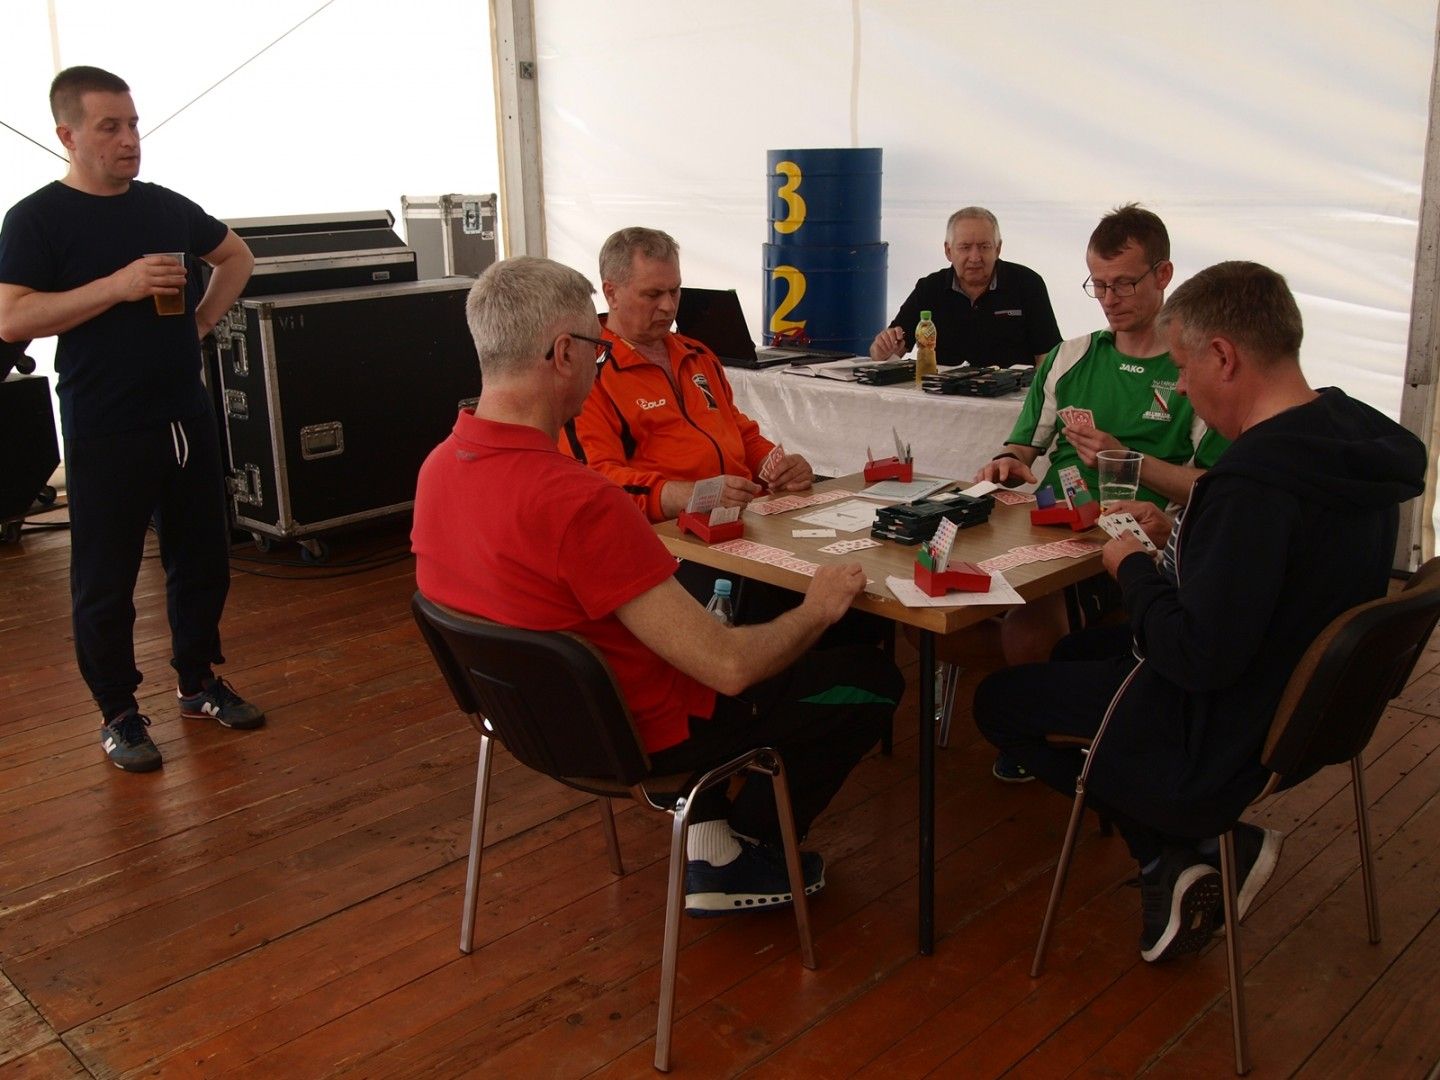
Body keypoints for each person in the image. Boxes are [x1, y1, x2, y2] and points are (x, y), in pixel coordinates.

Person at [412, 255, 902, 916]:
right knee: (871, 677)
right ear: (564, 353)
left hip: (527, 725)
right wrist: (817, 609)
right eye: (596, 348)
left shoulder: (437, 469)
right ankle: (744, 851)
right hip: (643, 735)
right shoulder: (579, 500)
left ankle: (718, 832)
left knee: (748, 618)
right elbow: (728, 668)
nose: (600, 363)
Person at [972, 260, 1426, 962]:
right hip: (1314, 704)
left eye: (1184, 368)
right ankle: (1187, 853)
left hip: (1226, 727)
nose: (1180, 386)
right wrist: (1178, 539)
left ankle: (1178, 844)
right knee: (1068, 653)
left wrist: (1133, 566)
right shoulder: (1349, 440)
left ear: (1224, 356)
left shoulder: (1251, 486)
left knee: (999, 703)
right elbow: (1270, 579)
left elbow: (1193, 655)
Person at [0, 66, 261, 773]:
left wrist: (201, 322)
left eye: (134, 123)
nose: (128, 139)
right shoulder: (35, 219)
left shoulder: (164, 207)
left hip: (185, 415)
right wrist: (118, 286)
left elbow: (236, 255)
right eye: (109, 127)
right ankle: (117, 711)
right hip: (106, 424)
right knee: (106, 579)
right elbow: (13, 317)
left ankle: (197, 682)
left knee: (202, 558)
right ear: (68, 135)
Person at [970, 206, 1229, 786]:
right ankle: (1041, 722)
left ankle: (1067, 734)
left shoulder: (1191, 371)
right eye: (1099, 285)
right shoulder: (1071, 356)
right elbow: (1024, 445)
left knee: (1033, 614)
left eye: (1124, 284)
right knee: (965, 587)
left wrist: (1124, 459)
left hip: (1136, 538)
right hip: (1049, 522)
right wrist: (1008, 463)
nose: (1109, 300)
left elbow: (1213, 490)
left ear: (1164, 274)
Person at [561, 226, 813, 523]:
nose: (668, 306)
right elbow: (597, 481)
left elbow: (737, 432)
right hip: (665, 532)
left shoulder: (696, 354)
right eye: (653, 294)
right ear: (611, 293)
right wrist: (687, 496)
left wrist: (777, 467)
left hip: (740, 519)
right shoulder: (588, 372)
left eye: (674, 291)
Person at [869, 207, 1061, 367]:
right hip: (942, 397)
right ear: (948, 251)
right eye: (965, 247)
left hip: (1013, 398)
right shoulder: (929, 288)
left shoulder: (1027, 283)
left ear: (998, 249)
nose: (975, 257)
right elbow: (891, 351)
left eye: (984, 247)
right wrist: (881, 350)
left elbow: (1049, 358)